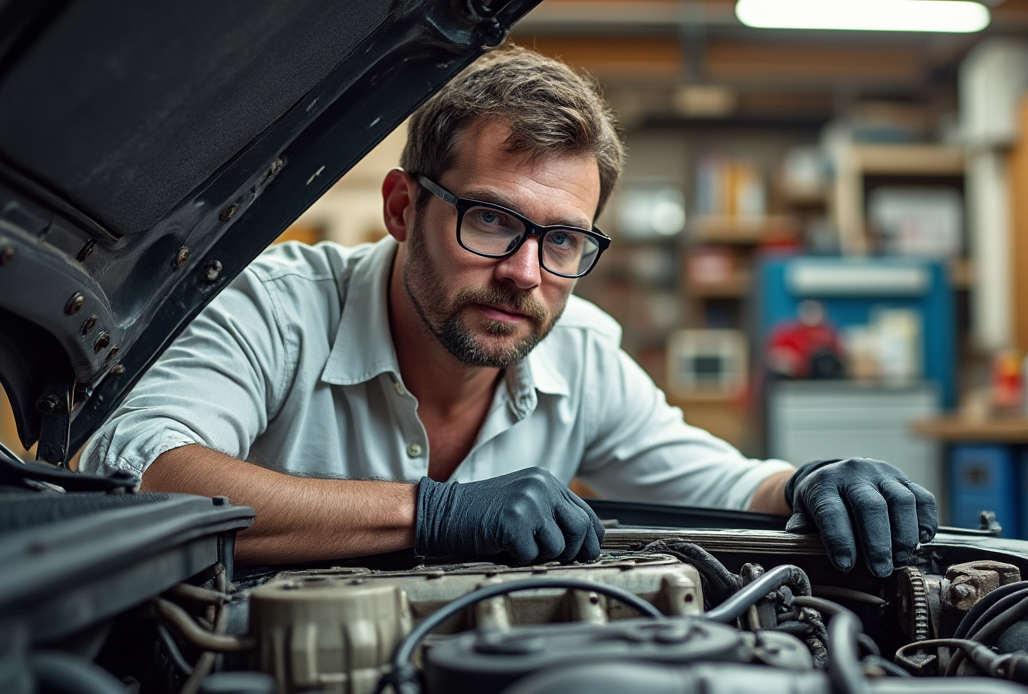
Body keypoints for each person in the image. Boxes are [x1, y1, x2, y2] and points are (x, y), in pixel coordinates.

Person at [80, 47, 936, 574]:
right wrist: (431, 514)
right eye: (492, 220)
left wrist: (815, 482)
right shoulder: (273, 311)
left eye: (564, 241)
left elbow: (712, 482)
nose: (527, 273)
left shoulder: (584, 353)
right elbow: (145, 478)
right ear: (404, 209)